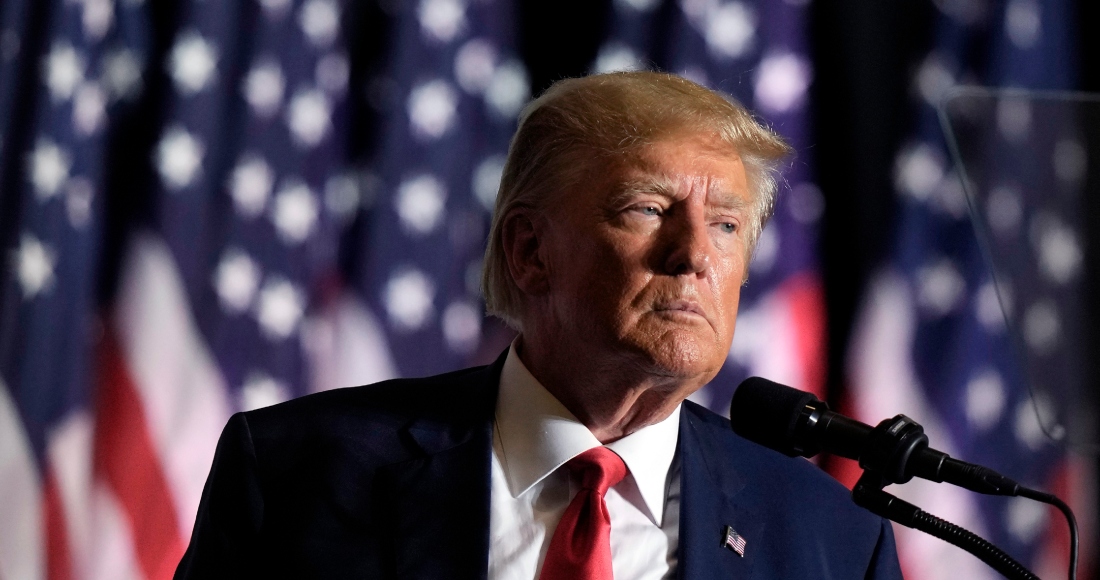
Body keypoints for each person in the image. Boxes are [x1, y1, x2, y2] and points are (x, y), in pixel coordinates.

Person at [175, 71, 903, 579]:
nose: (693, 257)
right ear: (530, 251)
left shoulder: (831, 538)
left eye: (726, 225)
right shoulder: (297, 473)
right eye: (647, 209)